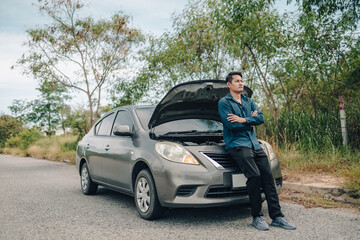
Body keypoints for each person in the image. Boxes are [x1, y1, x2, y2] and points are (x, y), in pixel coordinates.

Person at [218, 71, 296, 231]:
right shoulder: (224, 102)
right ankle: (257, 216)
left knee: (268, 177)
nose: (241, 83)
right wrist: (250, 122)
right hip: (237, 145)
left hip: (254, 144)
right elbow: (231, 124)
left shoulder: (248, 101)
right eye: (237, 81)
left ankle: (277, 216)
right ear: (229, 85)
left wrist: (244, 119)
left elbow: (261, 118)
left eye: (242, 81)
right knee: (254, 175)